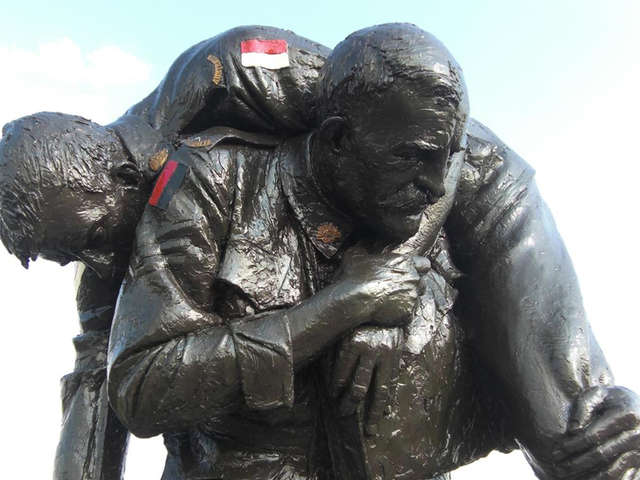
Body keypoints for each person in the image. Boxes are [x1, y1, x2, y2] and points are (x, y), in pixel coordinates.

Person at [1, 23, 638, 480]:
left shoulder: (230, 70)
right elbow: (101, 398)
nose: (92, 264)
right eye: (66, 258)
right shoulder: (114, 259)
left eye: (86, 240)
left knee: (578, 437)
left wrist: (392, 278)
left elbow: (430, 132)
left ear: (120, 178)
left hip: (476, 184)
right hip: (378, 204)